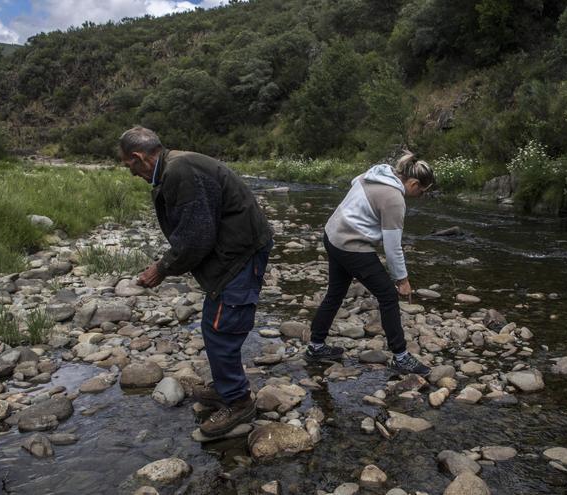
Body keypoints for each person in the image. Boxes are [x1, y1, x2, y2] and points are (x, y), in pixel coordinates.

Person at [119, 126, 274, 437]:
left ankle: (239, 401)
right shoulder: (175, 167)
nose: (131, 173)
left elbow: (197, 236)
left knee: (222, 327)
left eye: (128, 165)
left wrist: (162, 268)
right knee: (215, 323)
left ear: (138, 158)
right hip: (233, 249)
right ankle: (226, 389)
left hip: (241, 252)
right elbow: (198, 232)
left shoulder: (180, 172)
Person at [306, 152, 434, 376]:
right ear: (413, 183)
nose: (420, 196)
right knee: (388, 295)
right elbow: (393, 248)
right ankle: (401, 357)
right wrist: (402, 281)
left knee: (335, 293)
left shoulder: (376, 173)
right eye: (421, 191)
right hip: (350, 244)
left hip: (332, 234)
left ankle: (316, 346)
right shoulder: (394, 198)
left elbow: (354, 183)